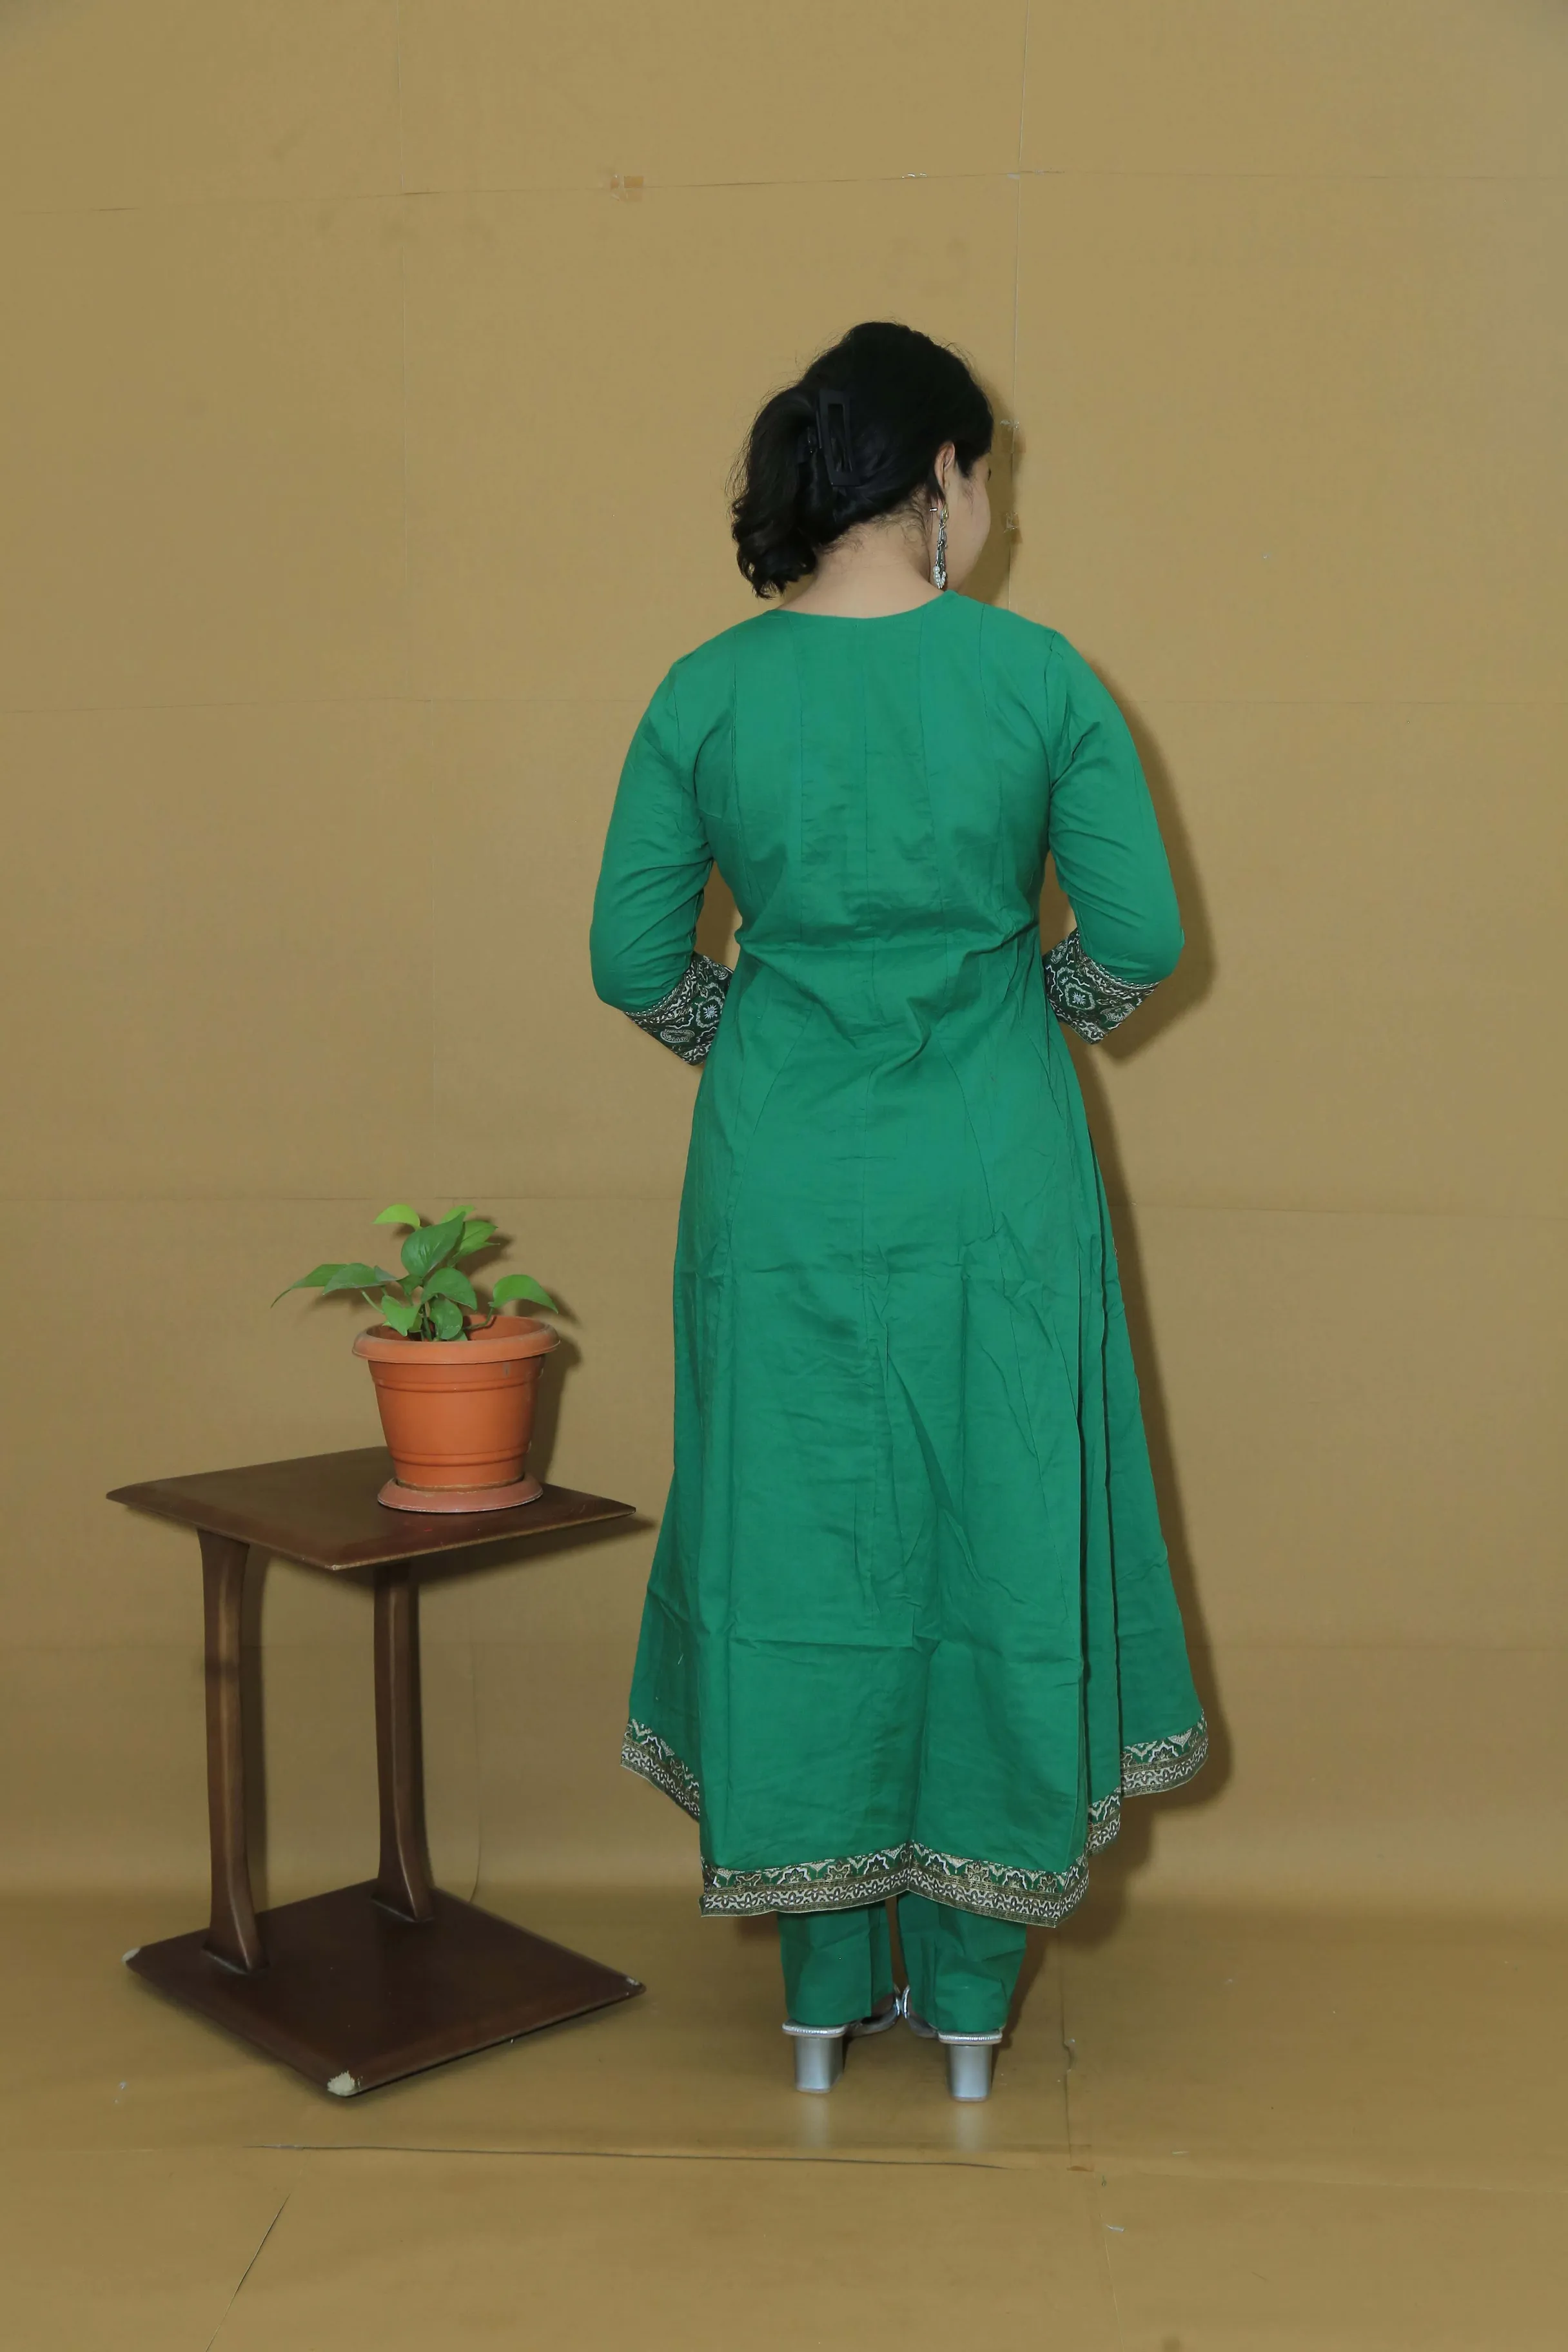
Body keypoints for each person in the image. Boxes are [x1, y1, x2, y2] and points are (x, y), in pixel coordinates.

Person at [590, 320, 1207, 2102]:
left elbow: (631, 958)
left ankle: (818, 1995)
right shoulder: (1035, 679)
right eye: (984, 471)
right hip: (992, 1169)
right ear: (943, 475)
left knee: (800, 1536)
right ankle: (969, 2001)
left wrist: (745, 1040)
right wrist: (1034, 1014)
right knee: (996, 1526)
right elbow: (1141, 940)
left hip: (780, 1174)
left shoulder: (705, 690)